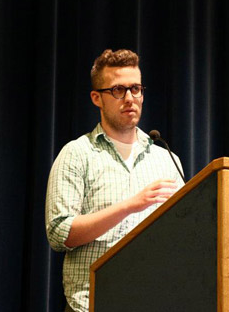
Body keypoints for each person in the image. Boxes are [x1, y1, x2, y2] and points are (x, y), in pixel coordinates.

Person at [45, 49, 185, 312]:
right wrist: (130, 205)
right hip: (92, 304)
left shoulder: (167, 159)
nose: (130, 98)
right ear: (97, 98)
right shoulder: (77, 154)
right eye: (118, 90)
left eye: (136, 88)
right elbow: (60, 233)